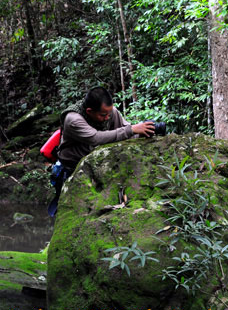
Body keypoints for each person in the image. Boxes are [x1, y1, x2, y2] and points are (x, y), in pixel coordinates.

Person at [48, 87, 155, 216]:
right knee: (71, 212)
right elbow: (96, 138)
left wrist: (143, 132)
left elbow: (125, 130)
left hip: (98, 166)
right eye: (103, 115)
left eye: (109, 114)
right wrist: (131, 130)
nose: (107, 118)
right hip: (72, 169)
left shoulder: (110, 112)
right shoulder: (73, 119)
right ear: (89, 111)